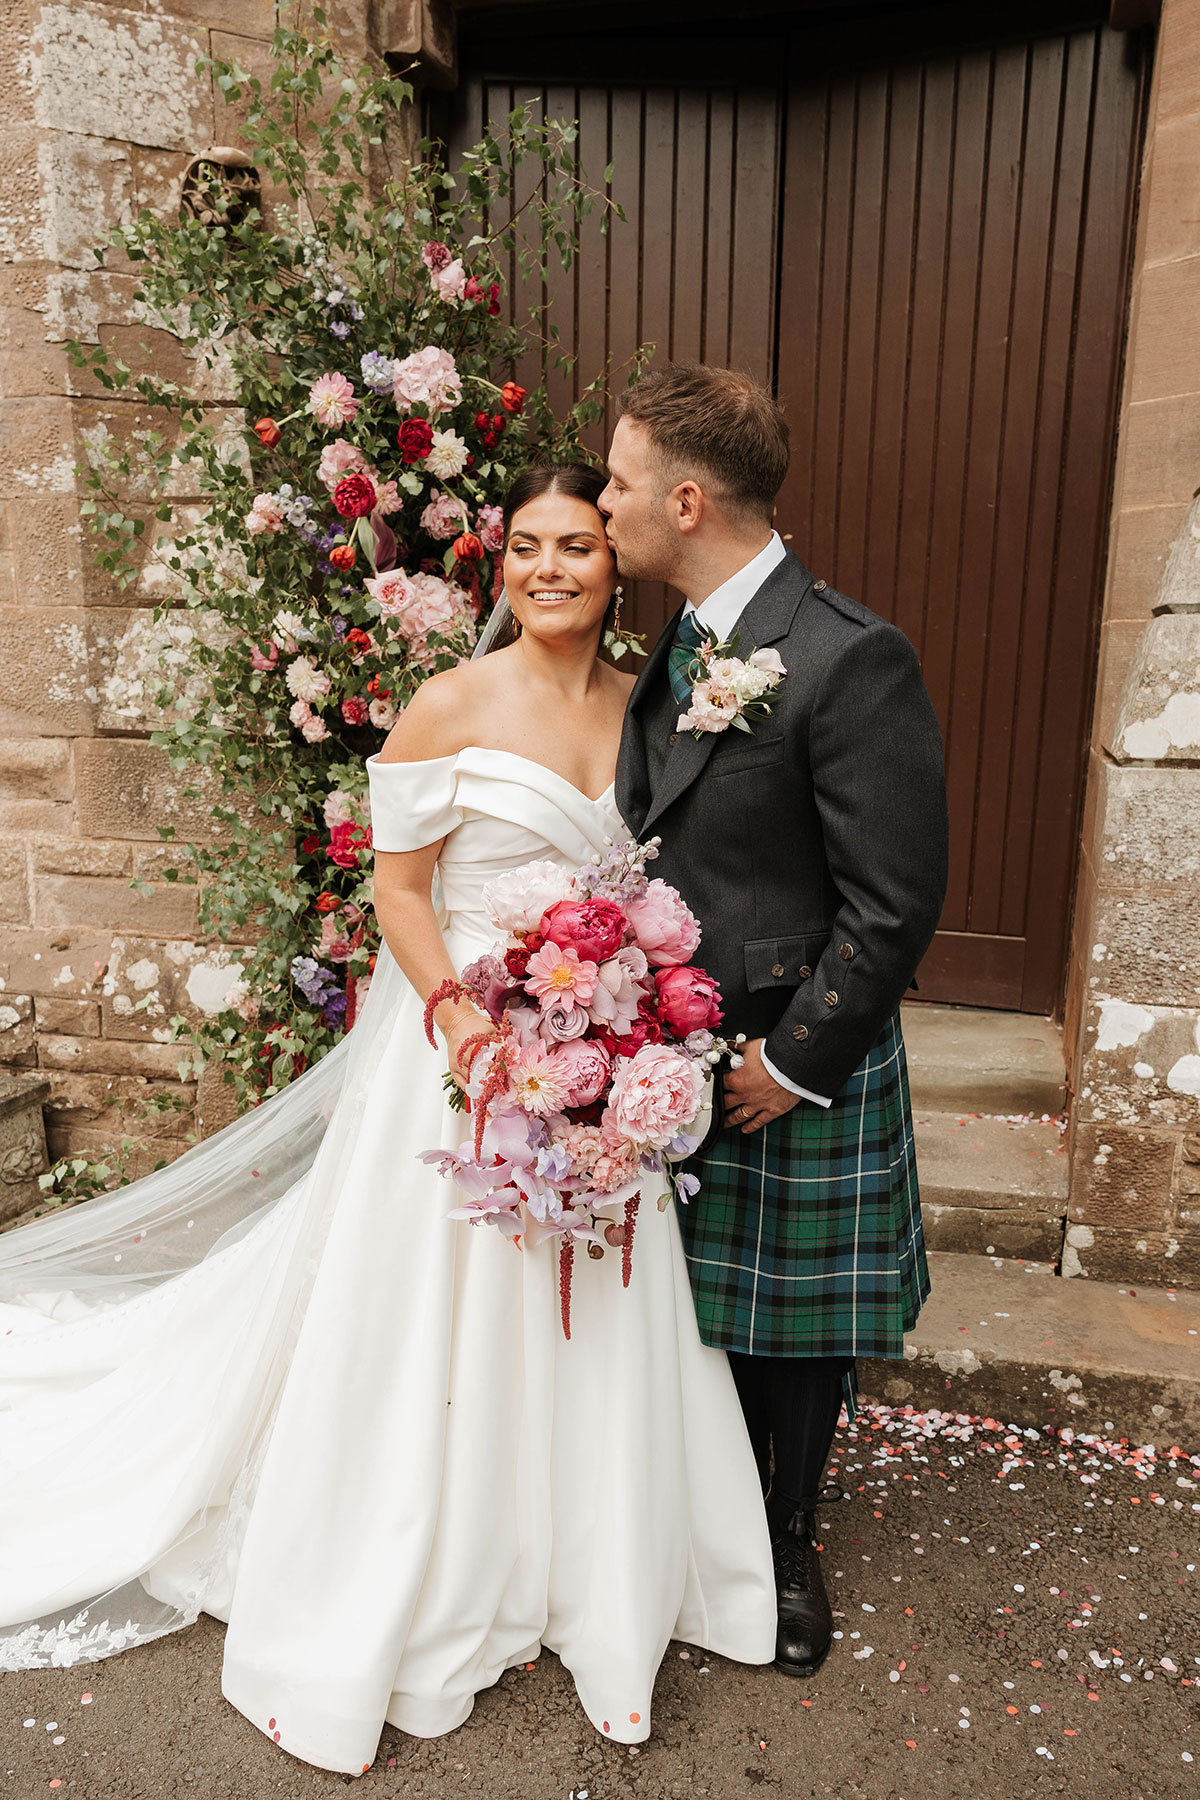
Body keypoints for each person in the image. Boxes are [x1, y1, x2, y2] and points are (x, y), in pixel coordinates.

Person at [0, 464, 776, 1774]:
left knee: (587, 1297)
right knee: (443, 1314)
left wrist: (626, 1016)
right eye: (526, 546)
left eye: (576, 547)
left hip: (593, 1054)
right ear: (502, 565)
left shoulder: (647, 712)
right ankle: (443, 1550)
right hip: (467, 1051)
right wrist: (464, 1021)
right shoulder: (446, 704)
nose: (548, 568)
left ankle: (582, 1563)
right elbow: (401, 892)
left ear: (614, 564)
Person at [602, 363, 950, 1678]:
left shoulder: (847, 655)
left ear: (688, 500)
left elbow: (895, 901)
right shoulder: (681, 641)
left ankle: (788, 1540)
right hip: (672, 1043)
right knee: (697, 1312)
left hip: (786, 1052)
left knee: (794, 1325)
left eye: (625, 483)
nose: (609, 502)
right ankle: (702, 1513)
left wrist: (792, 1067)